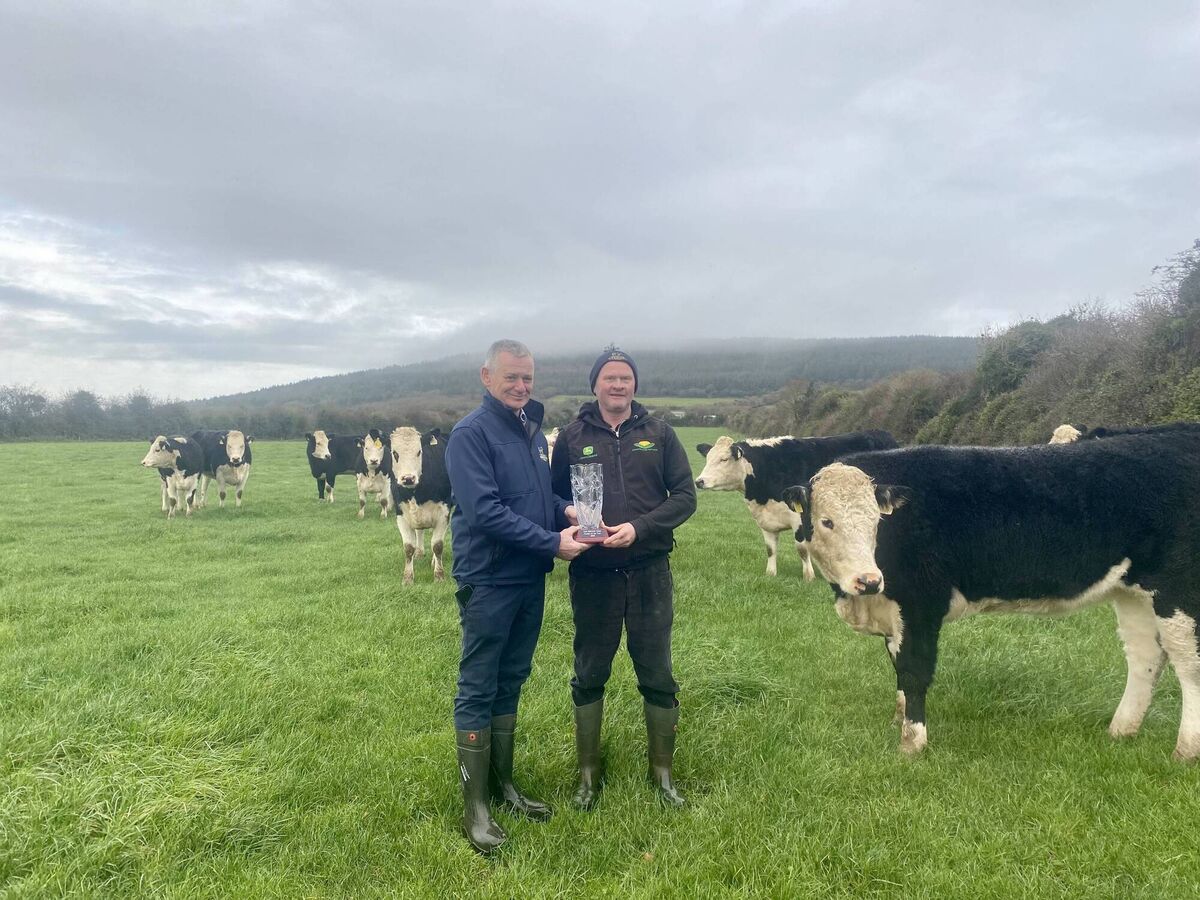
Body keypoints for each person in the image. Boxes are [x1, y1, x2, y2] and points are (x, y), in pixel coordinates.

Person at [445, 339, 590, 854]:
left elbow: (532, 497)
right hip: (489, 578)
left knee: (512, 678)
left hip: (528, 575)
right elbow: (485, 511)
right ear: (486, 376)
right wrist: (553, 543)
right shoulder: (470, 434)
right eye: (511, 378)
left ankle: (503, 786)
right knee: (479, 684)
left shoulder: (530, 431)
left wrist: (565, 513)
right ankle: (475, 807)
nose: (522, 386)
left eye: (528, 378)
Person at [550, 346, 697, 808]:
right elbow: (551, 500)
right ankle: (589, 775)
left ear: (635, 385)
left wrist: (640, 528)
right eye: (609, 378)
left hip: (649, 570)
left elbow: (685, 497)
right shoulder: (572, 438)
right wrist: (569, 516)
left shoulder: (661, 433)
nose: (618, 385)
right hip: (594, 575)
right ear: (594, 385)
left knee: (657, 670)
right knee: (590, 670)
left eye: (626, 378)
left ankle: (663, 774)